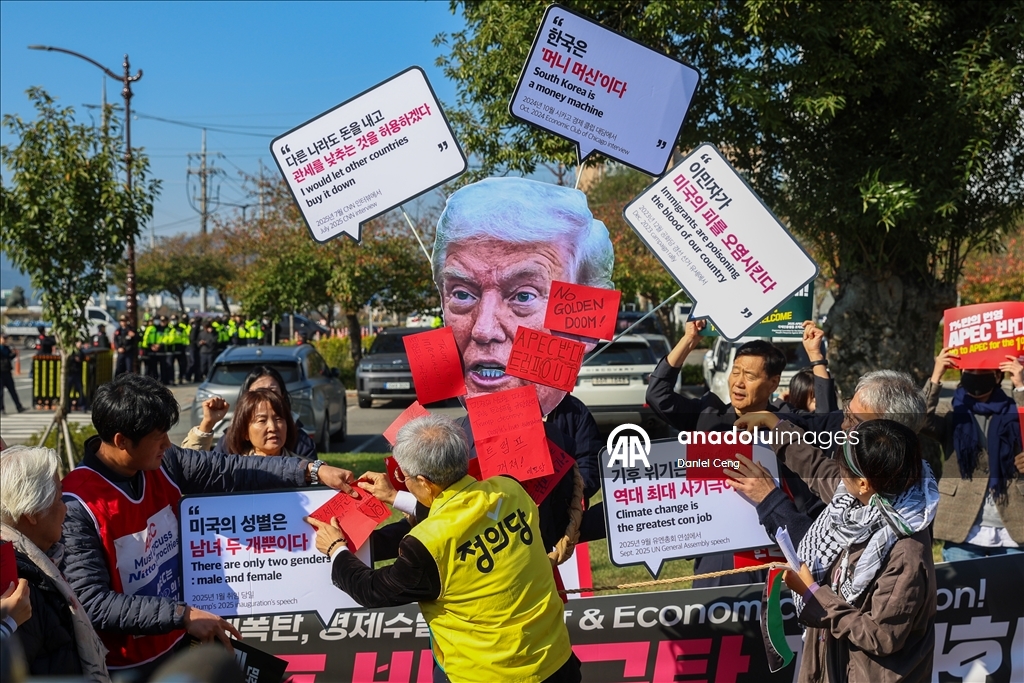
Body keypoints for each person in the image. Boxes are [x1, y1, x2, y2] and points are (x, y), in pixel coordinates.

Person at [59, 373, 357, 677]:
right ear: (121, 441)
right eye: (158, 437)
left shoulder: (166, 462)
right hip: (126, 668)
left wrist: (311, 470)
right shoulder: (77, 504)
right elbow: (92, 602)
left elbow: (233, 470)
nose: (167, 443)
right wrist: (182, 615)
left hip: (180, 645)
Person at [308, 414, 581, 683]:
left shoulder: (427, 544)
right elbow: (460, 510)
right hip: (556, 661)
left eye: (404, 476)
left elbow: (372, 590)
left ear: (424, 482)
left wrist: (336, 548)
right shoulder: (510, 490)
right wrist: (395, 496)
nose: (403, 481)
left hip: (490, 674)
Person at [735, 415, 938, 683]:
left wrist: (813, 594)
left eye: (843, 467)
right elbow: (818, 468)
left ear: (864, 483)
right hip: (830, 662)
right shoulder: (863, 502)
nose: (838, 473)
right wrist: (776, 426)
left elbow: (882, 636)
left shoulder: (905, 552)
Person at [646, 319, 830, 586]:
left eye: (750, 376)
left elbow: (826, 420)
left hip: (780, 549)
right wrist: (689, 340)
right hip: (721, 555)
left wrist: (816, 356)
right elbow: (657, 396)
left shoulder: (786, 423)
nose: (739, 383)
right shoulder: (709, 417)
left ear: (773, 383)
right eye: (736, 372)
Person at [1, 446, 110, 681]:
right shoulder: (19, 589)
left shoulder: (42, 561)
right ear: (32, 513)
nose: (65, 508)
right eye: (60, 498)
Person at [924, 350, 1024, 561]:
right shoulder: (951, 411)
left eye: (983, 371)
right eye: (970, 371)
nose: (976, 376)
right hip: (962, 527)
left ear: (997, 376)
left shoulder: (1016, 408)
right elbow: (920, 420)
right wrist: (936, 376)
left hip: (1013, 529)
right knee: (963, 584)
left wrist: (1021, 386)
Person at [210, 366, 317, 459]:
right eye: (262, 420)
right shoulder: (230, 456)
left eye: (278, 419)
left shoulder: (304, 452)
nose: (272, 428)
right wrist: (207, 424)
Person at [0, 334, 26, 414]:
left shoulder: (6, 348)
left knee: (12, 391)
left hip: (7, 372)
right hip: (1, 373)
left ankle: (19, 407)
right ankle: (2, 409)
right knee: (1, 393)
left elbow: (9, 357)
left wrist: (14, 354)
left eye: (6, 339)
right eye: (3, 338)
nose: (5, 340)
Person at [65, 339, 90, 412]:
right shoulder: (71, 351)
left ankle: (83, 406)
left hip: (77, 373)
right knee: (68, 390)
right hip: (70, 373)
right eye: (79, 343)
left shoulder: (80, 352)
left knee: (80, 390)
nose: (80, 344)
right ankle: (67, 407)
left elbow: (81, 358)